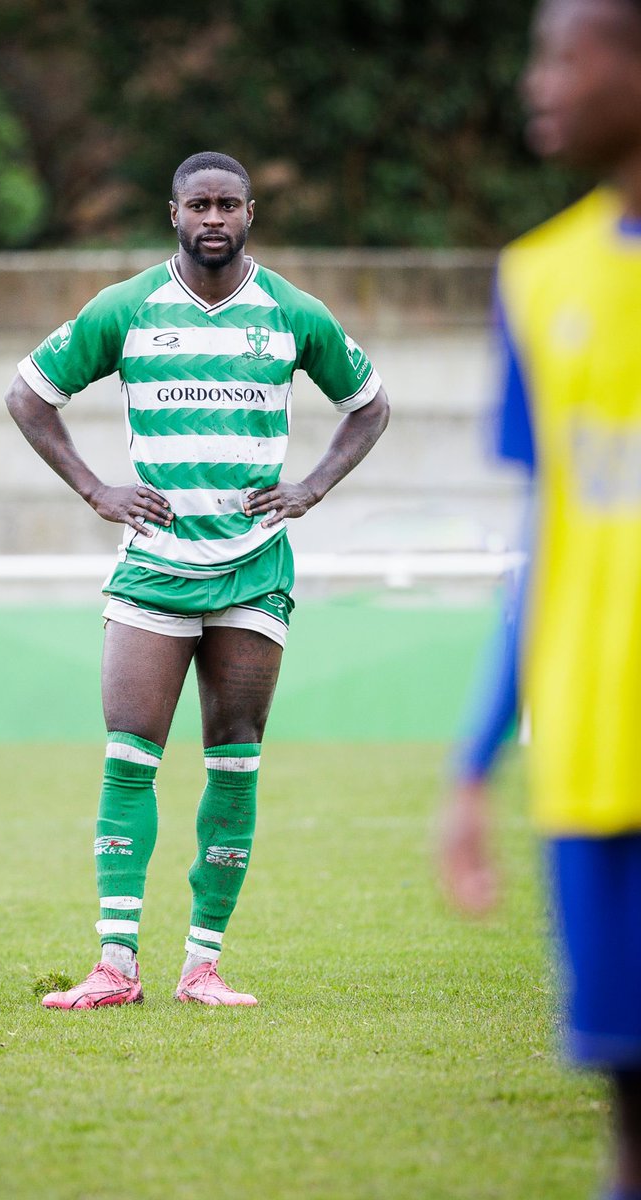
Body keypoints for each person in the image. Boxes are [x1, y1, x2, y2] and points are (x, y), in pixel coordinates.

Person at [6, 150, 389, 1008]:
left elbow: (369, 403)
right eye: (197, 206)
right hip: (152, 572)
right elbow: (30, 393)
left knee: (234, 763)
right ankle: (115, 966)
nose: (212, 219)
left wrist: (311, 487)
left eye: (228, 206)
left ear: (251, 213)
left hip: (254, 572)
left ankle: (202, 966)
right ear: (172, 212)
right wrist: (96, 488)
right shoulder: (128, 309)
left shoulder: (291, 313)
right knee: (129, 759)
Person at [440, 1, 641, 1196]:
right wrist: (473, 764)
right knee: (626, 1104)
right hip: (593, 762)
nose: (541, 81)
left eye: (572, 50)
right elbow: (552, 536)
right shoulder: (536, 279)